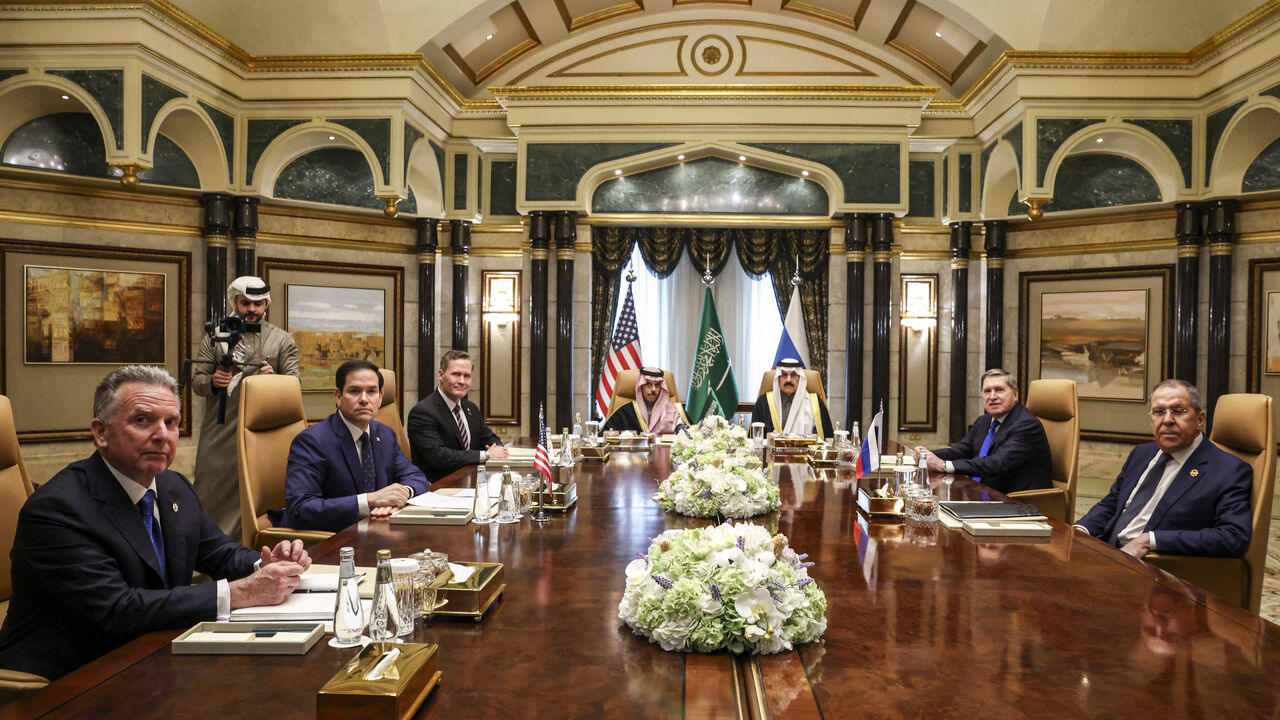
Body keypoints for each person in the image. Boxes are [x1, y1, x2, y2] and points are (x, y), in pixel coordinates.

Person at [0, 366, 309, 682]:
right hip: (70, 679)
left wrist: (266, 562)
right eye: (142, 420)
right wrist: (239, 593)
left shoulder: (173, 486)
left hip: (151, 655)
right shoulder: (59, 509)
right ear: (100, 431)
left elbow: (220, 554)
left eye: (171, 422)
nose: (162, 434)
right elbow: (119, 609)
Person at [1073, 379, 1252, 559]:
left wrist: (1151, 540)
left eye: (1178, 411)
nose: (1167, 420)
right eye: (1159, 412)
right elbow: (1113, 503)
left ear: (1200, 420)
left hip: (1156, 568)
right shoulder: (1141, 453)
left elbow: (1233, 537)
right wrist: (1081, 529)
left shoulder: (1228, 470)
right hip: (1107, 552)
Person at [191, 276, 298, 541]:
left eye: (258, 304)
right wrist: (213, 382)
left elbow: (294, 385)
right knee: (211, 492)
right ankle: (210, 558)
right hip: (220, 430)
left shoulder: (282, 340)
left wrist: (275, 380)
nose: (252, 309)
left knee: (259, 494)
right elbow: (196, 380)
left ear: (266, 305)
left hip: (265, 434)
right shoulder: (213, 337)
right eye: (245, 303)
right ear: (235, 302)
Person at [284, 359, 429, 532]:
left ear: (381, 397)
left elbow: (417, 478)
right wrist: (369, 501)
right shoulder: (313, 441)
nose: (364, 399)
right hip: (333, 539)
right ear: (338, 396)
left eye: (372, 392)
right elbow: (300, 510)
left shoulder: (385, 434)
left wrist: (402, 494)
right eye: (354, 391)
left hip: (377, 531)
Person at [914, 368, 1053, 495]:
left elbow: (997, 463)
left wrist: (942, 465)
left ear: (1015, 395)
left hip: (1016, 502)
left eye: (999, 390)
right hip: (983, 494)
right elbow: (959, 451)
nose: (992, 396)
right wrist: (927, 455)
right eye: (987, 391)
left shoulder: (1026, 425)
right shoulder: (984, 421)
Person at [407, 350, 507, 481]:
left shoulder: (471, 408)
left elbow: (489, 437)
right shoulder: (422, 412)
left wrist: (497, 448)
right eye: (456, 374)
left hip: (472, 481)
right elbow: (440, 457)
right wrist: (486, 455)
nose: (462, 381)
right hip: (439, 488)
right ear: (441, 375)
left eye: (467, 376)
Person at [750, 358, 834, 439]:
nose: (788, 380)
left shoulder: (815, 402)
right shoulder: (764, 402)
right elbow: (755, 439)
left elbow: (828, 438)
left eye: (793, 375)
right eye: (784, 375)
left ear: (800, 379)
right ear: (778, 378)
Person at [602, 367, 689, 434]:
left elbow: (687, 435)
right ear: (641, 386)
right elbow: (604, 435)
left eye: (657, 385)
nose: (653, 389)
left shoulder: (672, 411)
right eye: (648, 384)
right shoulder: (625, 411)